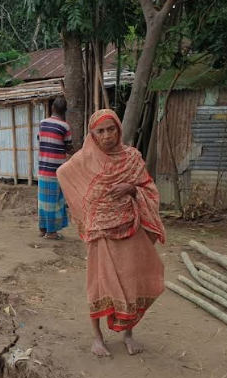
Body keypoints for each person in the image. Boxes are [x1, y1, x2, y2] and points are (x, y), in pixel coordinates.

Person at [57, 109, 166, 356]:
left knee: (133, 280)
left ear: (119, 129)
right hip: (100, 231)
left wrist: (132, 189)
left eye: (111, 129)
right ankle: (97, 339)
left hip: (130, 226)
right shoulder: (83, 160)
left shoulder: (132, 158)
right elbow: (62, 174)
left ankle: (128, 335)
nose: (107, 135)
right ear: (92, 134)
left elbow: (148, 189)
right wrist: (84, 214)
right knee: (98, 283)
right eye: (100, 131)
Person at [37, 96, 73, 240]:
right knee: (55, 201)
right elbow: (68, 147)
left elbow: (40, 140)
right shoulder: (65, 127)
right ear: (65, 110)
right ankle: (51, 232)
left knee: (43, 200)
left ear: (52, 108)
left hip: (42, 167)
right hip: (57, 170)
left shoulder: (42, 123)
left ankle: (43, 228)